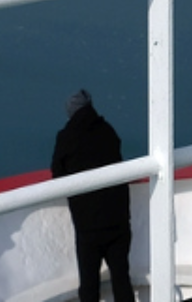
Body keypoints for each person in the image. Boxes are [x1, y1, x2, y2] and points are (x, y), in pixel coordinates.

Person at [51, 89, 136, 302]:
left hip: (88, 224)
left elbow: (58, 174)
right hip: (118, 220)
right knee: (121, 279)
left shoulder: (66, 137)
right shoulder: (108, 131)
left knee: (89, 286)